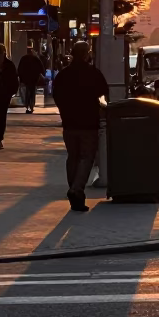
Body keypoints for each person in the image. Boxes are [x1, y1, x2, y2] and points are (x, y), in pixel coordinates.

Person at [51, 41, 108, 212]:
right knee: (86, 157)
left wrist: (64, 111)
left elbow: (57, 96)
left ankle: (75, 192)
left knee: (73, 157)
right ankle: (76, 189)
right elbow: (103, 94)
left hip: (69, 123)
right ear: (86, 54)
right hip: (88, 122)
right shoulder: (93, 73)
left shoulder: (63, 75)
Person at [17, 44, 45, 114]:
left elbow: (19, 68)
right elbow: (41, 68)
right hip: (33, 78)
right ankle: (31, 105)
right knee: (32, 91)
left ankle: (27, 105)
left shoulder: (23, 58)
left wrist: (20, 77)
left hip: (25, 78)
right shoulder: (35, 59)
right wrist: (41, 75)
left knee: (26, 92)